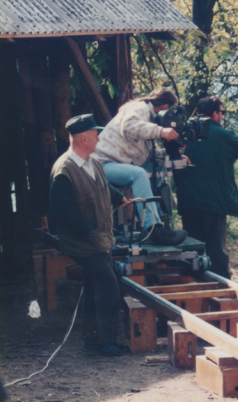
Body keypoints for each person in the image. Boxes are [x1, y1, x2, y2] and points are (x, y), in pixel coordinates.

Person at [49, 114, 127, 356]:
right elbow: (59, 211)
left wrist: (119, 197)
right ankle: (108, 343)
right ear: (83, 138)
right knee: (108, 288)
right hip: (84, 243)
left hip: (99, 241)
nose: (99, 138)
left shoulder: (91, 162)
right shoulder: (64, 170)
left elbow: (101, 185)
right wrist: (87, 231)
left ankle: (91, 341)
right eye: (95, 134)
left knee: (94, 288)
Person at [174, 96, 238, 279]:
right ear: (214, 113)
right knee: (216, 252)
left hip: (188, 202)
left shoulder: (183, 132)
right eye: (222, 112)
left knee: (192, 249)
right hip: (213, 204)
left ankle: (193, 288)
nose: (223, 116)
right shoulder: (221, 135)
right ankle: (220, 289)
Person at [92, 87, 187, 245]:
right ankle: (153, 229)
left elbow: (146, 154)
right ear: (165, 106)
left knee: (156, 166)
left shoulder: (149, 119)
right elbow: (129, 126)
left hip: (115, 162)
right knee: (139, 174)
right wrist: (161, 131)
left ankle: (162, 223)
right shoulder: (141, 108)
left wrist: (171, 155)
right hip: (102, 165)